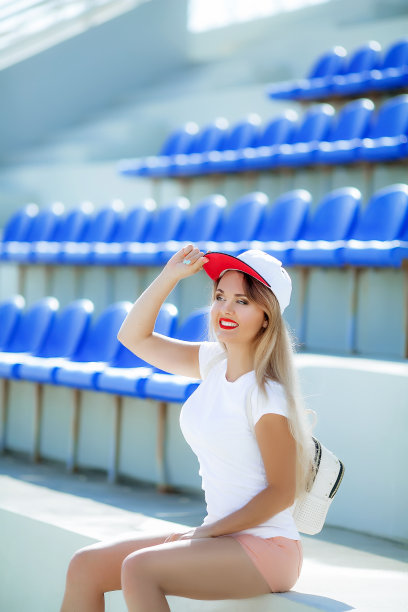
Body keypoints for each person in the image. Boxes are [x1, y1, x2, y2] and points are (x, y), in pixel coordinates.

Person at [60, 244, 313, 612]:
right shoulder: (213, 362)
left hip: (267, 547)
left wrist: (207, 531)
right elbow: (134, 337)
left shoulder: (267, 394)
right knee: (86, 565)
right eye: (221, 296)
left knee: (140, 568)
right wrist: (169, 277)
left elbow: (281, 493)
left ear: (266, 316)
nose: (226, 309)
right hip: (221, 537)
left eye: (242, 301)